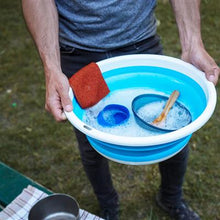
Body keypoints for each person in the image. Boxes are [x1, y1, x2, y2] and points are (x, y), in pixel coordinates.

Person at [22, 0, 219, 219]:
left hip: (140, 43)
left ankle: (170, 198)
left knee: (173, 135)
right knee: (90, 139)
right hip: (79, 52)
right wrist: (51, 67)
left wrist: (193, 44)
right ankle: (109, 206)